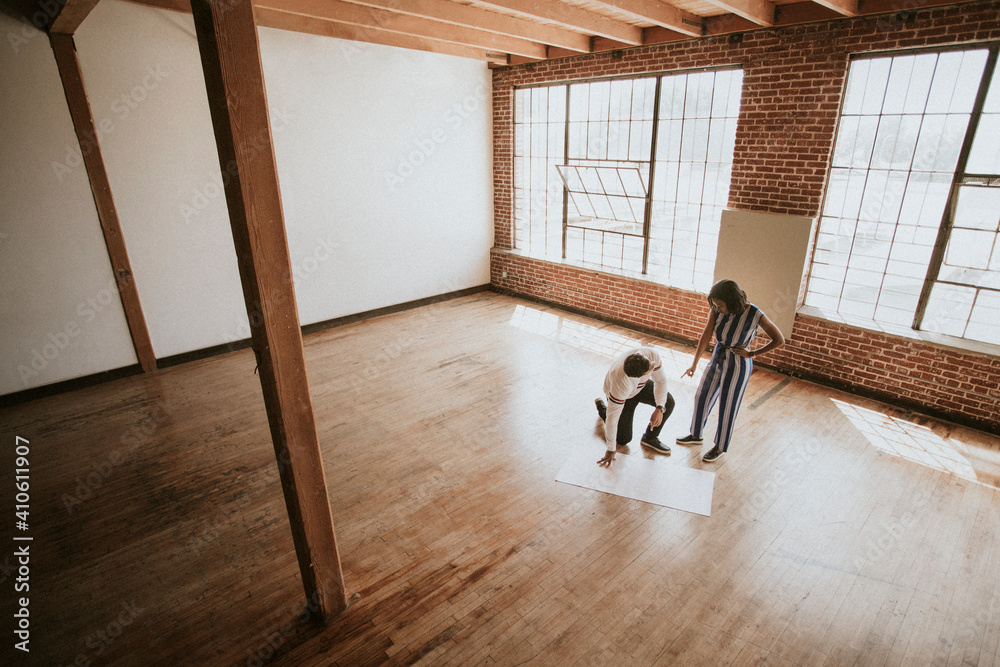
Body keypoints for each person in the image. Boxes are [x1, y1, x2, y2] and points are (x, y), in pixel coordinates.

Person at [677, 279, 785, 462]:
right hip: (717, 358)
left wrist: (752, 353)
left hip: (738, 364)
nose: (717, 308)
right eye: (715, 305)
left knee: (728, 407)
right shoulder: (716, 310)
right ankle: (696, 435)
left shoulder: (754, 313)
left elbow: (779, 339)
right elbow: (706, 334)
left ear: (732, 300)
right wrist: (694, 363)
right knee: (701, 396)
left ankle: (719, 447)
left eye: (720, 305)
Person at [595, 347, 676, 466]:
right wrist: (611, 449)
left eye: (650, 362)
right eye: (650, 368)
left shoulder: (651, 356)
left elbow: (661, 381)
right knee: (623, 439)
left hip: (640, 388)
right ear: (639, 376)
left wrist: (659, 408)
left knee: (668, 402)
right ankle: (603, 409)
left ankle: (650, 438)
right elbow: (613, 419)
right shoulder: (620, 383)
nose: (653, 364)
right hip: (623, 395)